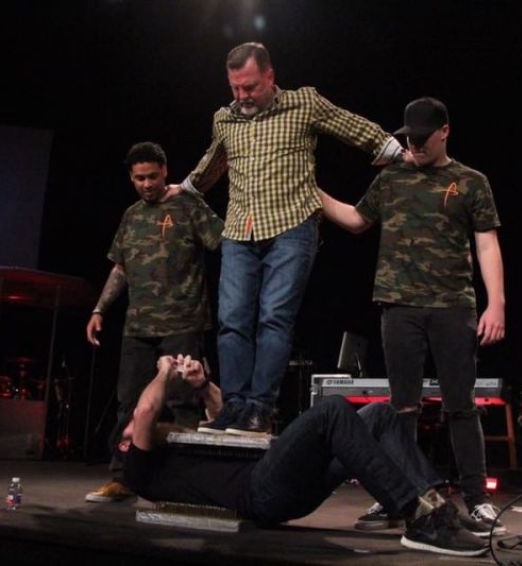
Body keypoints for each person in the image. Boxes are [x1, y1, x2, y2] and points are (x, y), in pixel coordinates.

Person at [167, 42, 409, 436]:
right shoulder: (225, 119)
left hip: (291, 227)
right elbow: (214, 160)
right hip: (240, 229)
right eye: (235, 88)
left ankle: (261, 407)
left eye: (249, 87)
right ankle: (234, 405)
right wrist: (187, 188)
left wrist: (398, 153)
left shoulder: (304, 103)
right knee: (231, 321)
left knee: (273, 319)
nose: (242, 96)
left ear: (269, 76)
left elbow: (352, 126)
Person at [318, 97, 507, 532]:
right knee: (401, 409)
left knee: (461, 406)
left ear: (445, 131)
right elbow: (355, 220)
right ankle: (395, 495)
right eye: (410, 139)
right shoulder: (392, 179)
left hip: (452, 306)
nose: (415, 146)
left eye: (423, 138)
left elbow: (487, 245)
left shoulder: (471, 182)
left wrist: (496, 303)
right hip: (399, 306)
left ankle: (477, 500)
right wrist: (310, 190)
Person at [123, 354, 490, 557]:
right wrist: (162, 371)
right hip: (260, 492)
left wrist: (201, 383)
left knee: (379, 414)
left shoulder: (183, 444)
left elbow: (221, 415)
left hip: (284, 484)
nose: (142, 426)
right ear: (125, 445)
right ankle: (416, 514)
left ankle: (436, 507)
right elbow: (144, 413)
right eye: (130, 433)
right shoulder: (140, 470)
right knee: (331, 410)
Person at [83, 142, 225, 503]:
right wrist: (100, 309)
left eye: (151, 176)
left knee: (182, 402)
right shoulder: (131, 215)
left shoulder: (188, 205)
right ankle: (124, 478)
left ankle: (184, 480)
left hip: (183, 322)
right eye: (138, 179)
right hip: (138, 325)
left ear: (164, 170)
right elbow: (121, 267)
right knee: (128, 403)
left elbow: (223, 240)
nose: (146, 184)